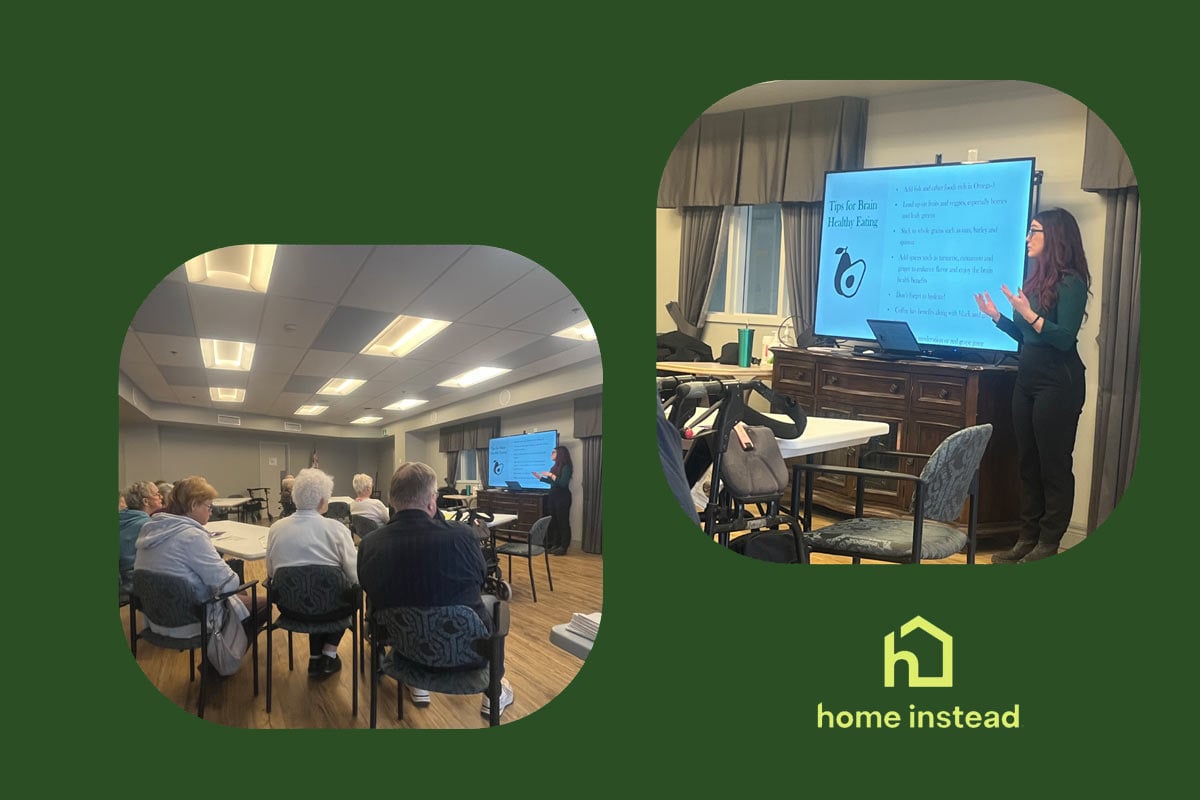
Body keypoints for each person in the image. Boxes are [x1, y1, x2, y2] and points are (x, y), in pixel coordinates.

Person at [974, 207, 1091, 564]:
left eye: (1035, 231)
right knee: (1027, 461)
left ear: (1054, 237)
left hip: (1059, 383)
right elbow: (1027, 337)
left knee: (1053, 464)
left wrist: (1029, 314)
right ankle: (1027, 538)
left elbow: (1064, 339)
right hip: (1027, 380)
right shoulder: (1033, 281)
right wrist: (998, 318)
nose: (1028, 238)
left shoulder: (1072, 282)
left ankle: (1049, 543)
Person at [358, 462, 514, 718]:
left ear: (391, 500)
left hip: (404, 651)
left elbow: (370, 589)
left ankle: (418, 683)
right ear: (432, 501)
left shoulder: (370, 545)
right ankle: (493, 693)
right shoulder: (463, 536)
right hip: (469, 653)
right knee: (494, 608)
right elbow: (479, 579)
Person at [133, 476, 267, 675]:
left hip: (154, 618)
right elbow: (230, 583)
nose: (211, 511)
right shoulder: (192, 536)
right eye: (208, 506)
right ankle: (219, 663)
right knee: (262, 602)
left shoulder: (150, 530)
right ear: (194, 505)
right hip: (190, 621)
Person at [265, 468, 358, 678]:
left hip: (291, 608)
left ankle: (316, 657)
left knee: (310, 591)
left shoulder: (276, 528)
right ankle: (329, 652)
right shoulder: (337, 529)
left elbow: (271, 573)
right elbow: (355, 575)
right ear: (323, 500)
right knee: (340, 594)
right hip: (331, 608)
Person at [119, 481, 164, 600]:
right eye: (157, 494)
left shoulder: (122, 517)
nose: (161, 497)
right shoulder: (147, 525)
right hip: (131, 583)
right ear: (146, 501)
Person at [532, 445, 573, 555]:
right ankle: (555, 544)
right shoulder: (554, 468)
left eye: (553, 452)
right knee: (553, 521)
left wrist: (551, 475)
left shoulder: (566, 467)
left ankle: (563, 546)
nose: (551, 454)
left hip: (563, 497)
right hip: (553, 496)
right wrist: (540, 478)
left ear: (560, 454)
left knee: (562, 522)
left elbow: (563, 483)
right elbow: (552, 483)